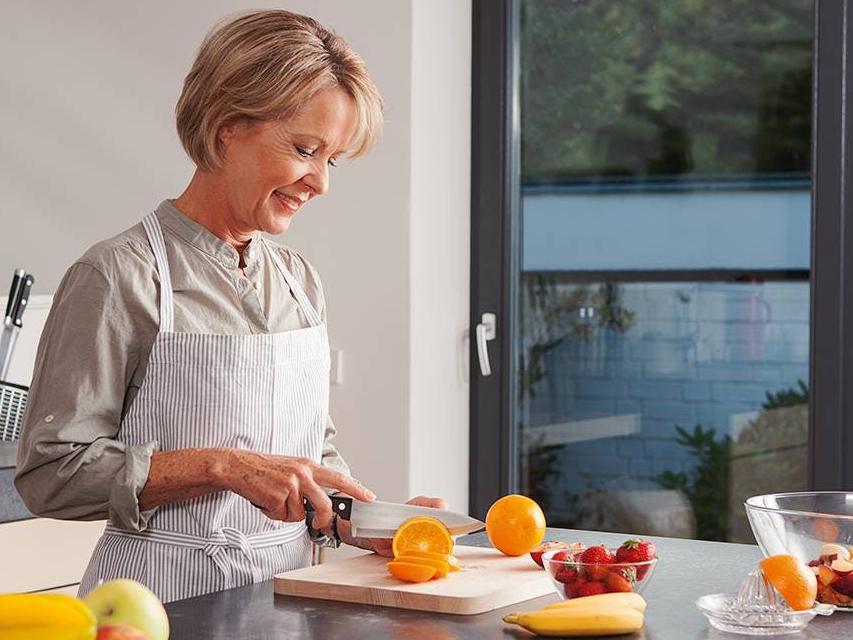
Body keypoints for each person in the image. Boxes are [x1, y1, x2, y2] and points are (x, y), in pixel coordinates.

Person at [14, 9, 445, 603]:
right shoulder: (117, 275)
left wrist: (366, 520)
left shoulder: (298, 280)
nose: (320, 181)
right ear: (227, 127)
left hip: (288, 598)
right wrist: (222, 467)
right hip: (156, 604)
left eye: (332, 159)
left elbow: (309, 452)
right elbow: (50, 475)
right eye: (305, 149)